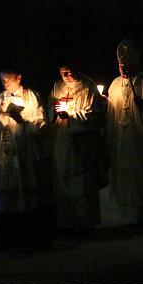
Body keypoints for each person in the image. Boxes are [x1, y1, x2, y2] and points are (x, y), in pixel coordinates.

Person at [0, 65, 51, 251]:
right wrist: (2, 117)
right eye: (2, 80)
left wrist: (21, 120)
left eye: (8, 79)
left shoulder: (31, 96)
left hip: (25, 155)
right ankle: (5, 240)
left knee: (28, 198)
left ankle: (32, 239)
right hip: (6, 155)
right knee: (6, 199)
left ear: (19, 77)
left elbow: (41, 125)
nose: (5, 83)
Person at [105, 39, 143, 225]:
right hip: (122, 138)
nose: (123, 69)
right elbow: (112, 112)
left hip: (140, 137)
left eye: (127, 65)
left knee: (142, 172)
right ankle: (128, 217)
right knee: (125, 173)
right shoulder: (115, 85)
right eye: (120, 65)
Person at [48, 61, 105, 234]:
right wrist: (55, 111)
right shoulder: (58, 86)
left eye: (70, 72)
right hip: (62, 139)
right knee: (63, 179)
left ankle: (86, 223)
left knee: (82, 182)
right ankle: (67, 223)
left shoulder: (87, 86)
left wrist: (71, 114)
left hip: (81, 141)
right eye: (64, 73)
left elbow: (94, 114)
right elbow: (50, 107)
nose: (68, 76)